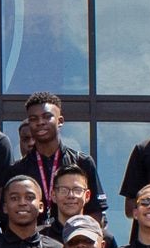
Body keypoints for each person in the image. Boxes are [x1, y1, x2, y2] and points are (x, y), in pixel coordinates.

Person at [7, 92, 105, 221]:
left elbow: (95, 212)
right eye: (33, 119)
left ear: (60, 121)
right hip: (33, 239)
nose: (40, 122)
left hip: (72, 237)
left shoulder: (82, 162)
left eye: (47, 117)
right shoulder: (18, 169)